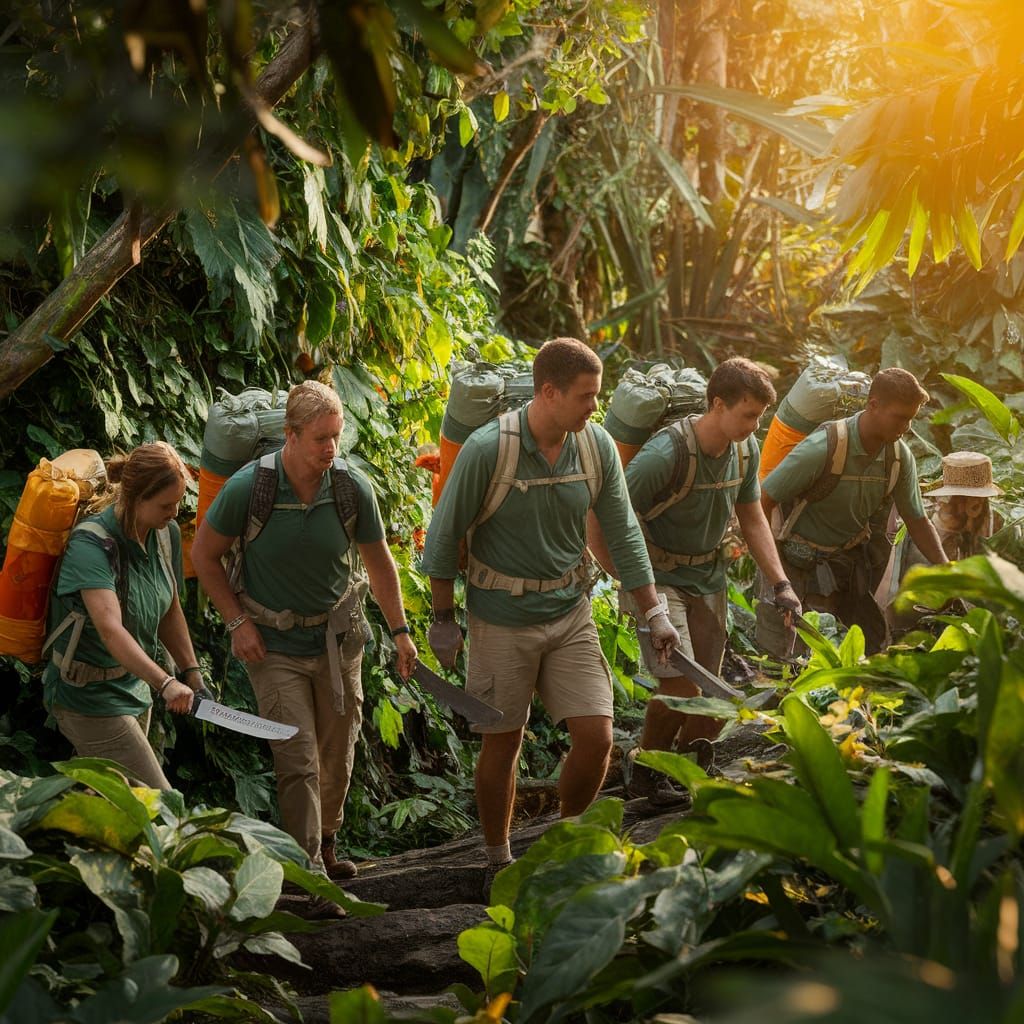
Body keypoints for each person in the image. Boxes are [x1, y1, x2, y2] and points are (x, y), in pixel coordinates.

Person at [421, 337, 679, 881]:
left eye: (598, 396)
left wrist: (654, 611)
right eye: (586, 396)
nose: (595, 407)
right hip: (500, 618)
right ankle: (497, 857)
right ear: (548, 392)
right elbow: (442, 540)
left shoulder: (596, 446)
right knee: (503, 741)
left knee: (598, 736)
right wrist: (443, 621)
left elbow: (624, 531)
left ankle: (568, 840)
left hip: (570, 612)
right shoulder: (490, 449)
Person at [191, 381, 416, 917]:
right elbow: (203, 556)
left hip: (339, 644)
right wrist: (237, 621)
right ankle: (309, 870)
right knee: (297, 756)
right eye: (320, 439)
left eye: (337, 437)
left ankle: (328, 842)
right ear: (290, 436)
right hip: (273, 648)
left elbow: (380, 563)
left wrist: (403, 631)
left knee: (338, 751)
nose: (331, 450)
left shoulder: (349, 488)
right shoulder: (252, 488)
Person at [589, 357, 801, 796]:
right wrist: (628, 580)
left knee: (710, 687)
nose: (753, 425)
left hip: (708, 575)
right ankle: (646, 771)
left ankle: (688, 769)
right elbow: (607, 514)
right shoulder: (665, 454)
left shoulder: (745, 450)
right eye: (747, 415)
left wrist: (780, 583)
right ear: (717, 405)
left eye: (759, 417)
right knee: (681, 684)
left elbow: (753, 518)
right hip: (658, 577)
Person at [43, 442, 204, 790]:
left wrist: (192, 673)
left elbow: (170, 606)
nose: (175, 512)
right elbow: (110, 629)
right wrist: (165, 682)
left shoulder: (165, 534)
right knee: (157, 804)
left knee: (105, 805)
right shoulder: (91, 545)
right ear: (135, 497)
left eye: (178, 501)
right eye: (165, 504)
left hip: (134, 690)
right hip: (89, 698)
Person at [757, 367, 948, 657]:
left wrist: (947, 569)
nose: (907, 427)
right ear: (873, 405)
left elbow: (917, 520)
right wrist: (774, 574)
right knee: (786, 657)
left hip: (846, 564)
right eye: (900, 417)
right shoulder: (824, 448)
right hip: (795, 563)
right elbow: (762, 501)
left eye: (911, 418)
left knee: (866, 649)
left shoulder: (897, 458)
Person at [876, 450, 1000, 630]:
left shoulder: (983, 526)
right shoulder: (913, 532)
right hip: (910, 626)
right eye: (971, 500)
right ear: (945, 499)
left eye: (981, 500)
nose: (979, 506)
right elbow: (888, 590)